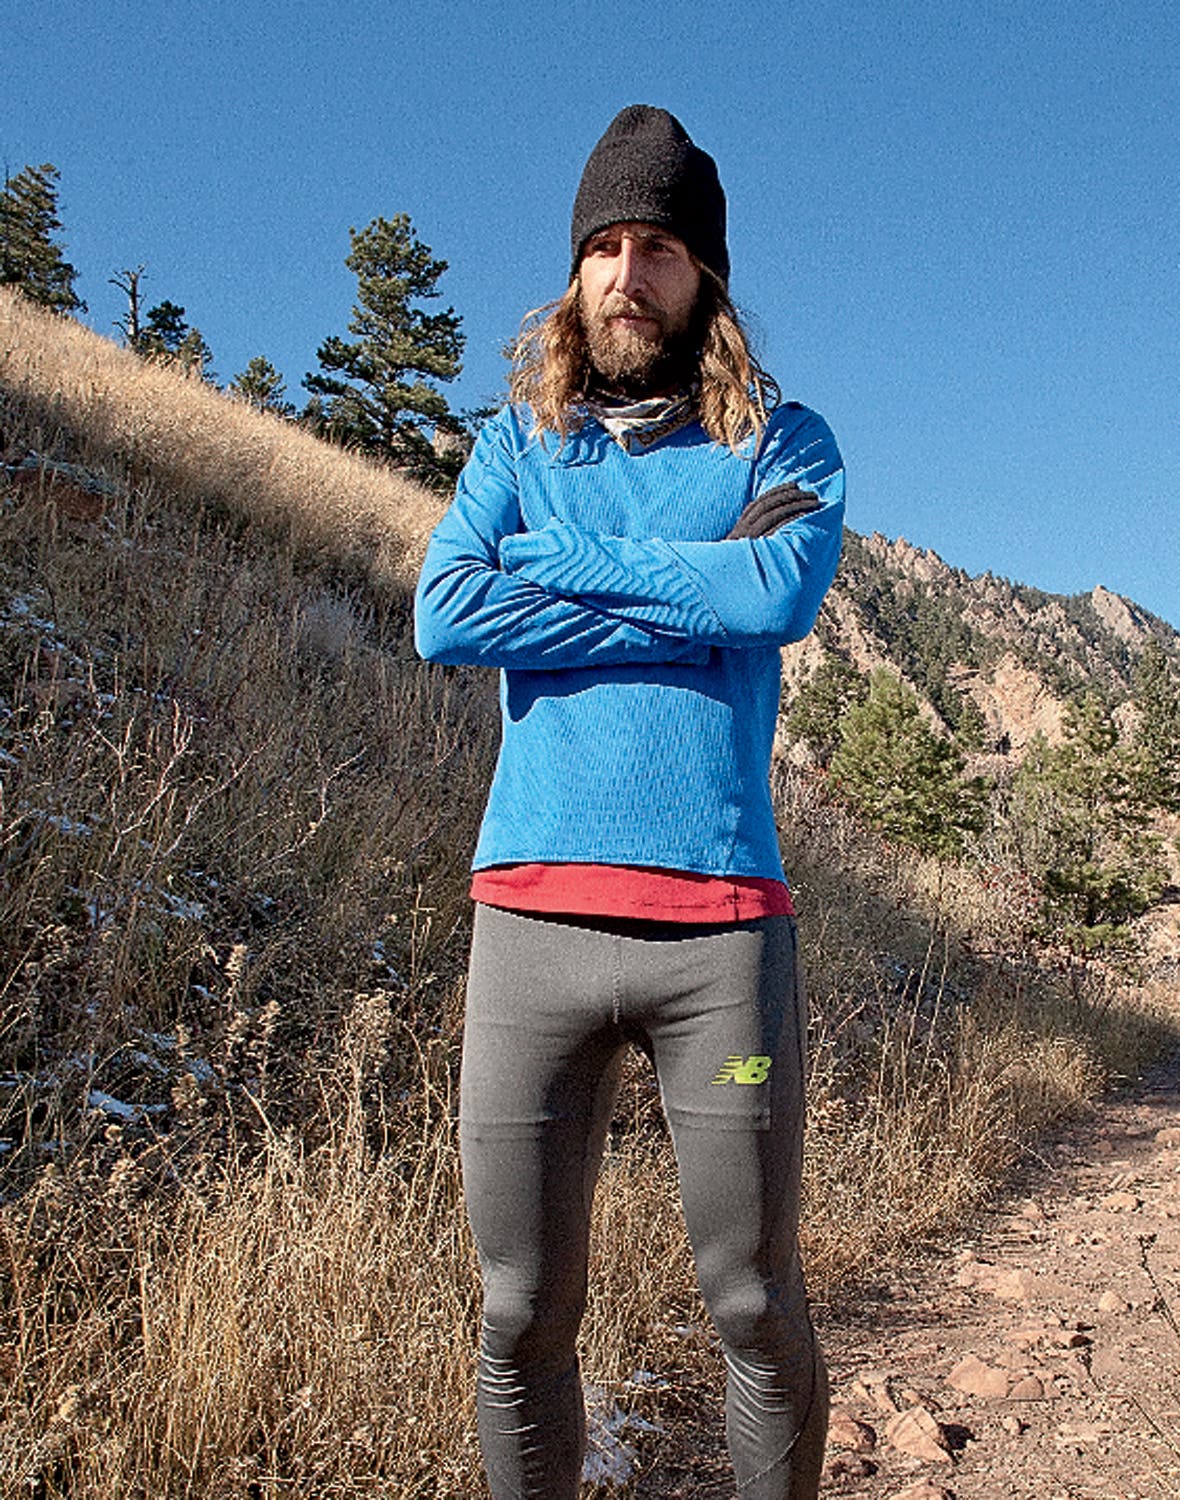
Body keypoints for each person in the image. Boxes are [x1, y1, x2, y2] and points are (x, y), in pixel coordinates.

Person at [413, 105, 844, 1500]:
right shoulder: (517, 442)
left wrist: (569, 571)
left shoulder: (786, 439)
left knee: (753, 1308)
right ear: (574, 269)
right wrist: (684, 590)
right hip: (529, 928)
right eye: (602, 243)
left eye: (655, 245)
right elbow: (446, 609)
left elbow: (773, 593)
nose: (624, 271)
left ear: (703, 273)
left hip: (716, 938)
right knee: (519, 1318)